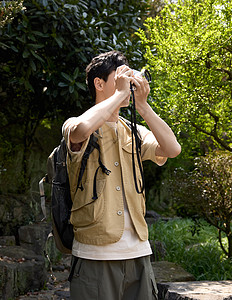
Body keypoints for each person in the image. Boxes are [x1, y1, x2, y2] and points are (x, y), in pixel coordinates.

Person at [62, 50, 181, 300]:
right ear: (99, 83)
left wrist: (144, 107)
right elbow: (81, 129)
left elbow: (172, 149)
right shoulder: (76, 122)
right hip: (95, 254)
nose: (127, 83)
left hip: (138, 253)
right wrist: (118, 95)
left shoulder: (134, 131)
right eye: (120, 77)